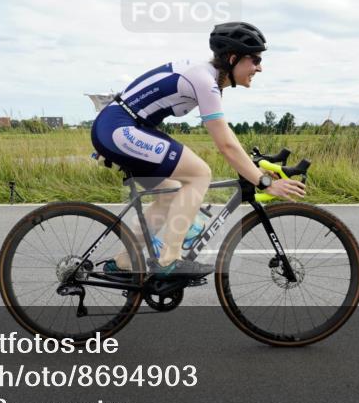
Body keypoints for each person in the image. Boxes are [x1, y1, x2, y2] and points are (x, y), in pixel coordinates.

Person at [90, 22, 306, 278]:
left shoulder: (208, 79)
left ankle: (126, 260)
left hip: (120, 127)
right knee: (199, 174)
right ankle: (170, 260)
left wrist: (252, 163)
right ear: (233, 58)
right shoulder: (205, 80)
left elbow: (225, 135)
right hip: (118, 128)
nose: (259, 67)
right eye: (255, 59)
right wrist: (263, 181)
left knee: (171, 192)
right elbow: (225, 145)